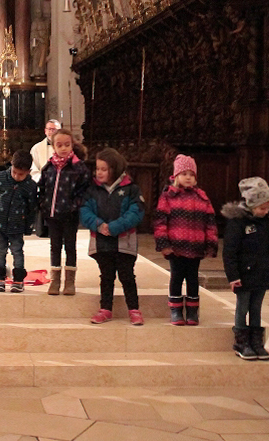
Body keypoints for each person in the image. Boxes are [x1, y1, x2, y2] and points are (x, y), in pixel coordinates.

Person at [221, 177, 269, 361]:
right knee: (243, 308)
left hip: (262, 273)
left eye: (268, 208)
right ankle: (241, 342)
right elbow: (230, 252)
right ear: (250, 205)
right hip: (243, 274)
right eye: (261, 208)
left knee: (256, 308)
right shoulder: (237, 223)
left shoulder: (267, 223)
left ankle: (256, 342)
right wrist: (233, 276)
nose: (265, 212)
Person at [81, 148, 145, 324]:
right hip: (102, 241)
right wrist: (99, 225)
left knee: (127, 276)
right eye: (97, 169)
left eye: (103, 169)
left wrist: (115, 227)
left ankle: (134, 309)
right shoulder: (92, 190)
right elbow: (84, 211)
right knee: (106, 276)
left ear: (114, 169)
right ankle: (105, 309)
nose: (98, 172)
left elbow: (136, 212)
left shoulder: (131, 189)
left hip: (124, 241)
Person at [153, 154, 218, 326]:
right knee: (176, 277)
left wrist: (210, 244)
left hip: (196, 247)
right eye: (184, 174)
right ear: (175, 176)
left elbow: (210, 223)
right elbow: (160, 222)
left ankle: (192, 310)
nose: (188, 177)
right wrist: (163, 244)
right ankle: (175, 310)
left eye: (191, 174)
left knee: (193, 279)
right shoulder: (168, 196)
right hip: (176, 247)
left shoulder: (202, 197)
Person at [38, 129, 91, 296]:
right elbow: (42, 187)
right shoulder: (48, 167)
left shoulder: (78, 167)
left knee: (70, 247)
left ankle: (69, 282)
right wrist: (43, 204)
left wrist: (75, 205)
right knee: (54, 247)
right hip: (52, 215)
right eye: (59, 145)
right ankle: (55, 281)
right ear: (53, 146)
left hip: (70, 215)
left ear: (72, 145)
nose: (63, 148)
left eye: (67, 145)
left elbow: (85, 190)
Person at [0, 151, 38, 293]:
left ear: (28, 172)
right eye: (14, 172)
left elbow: (32, 208)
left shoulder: (30, 186)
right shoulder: (1, 177)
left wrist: (28, 227)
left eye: (21, 174)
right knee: (0, 252)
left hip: (17, 226)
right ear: (11, 166)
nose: (16, 176)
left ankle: (18, 280)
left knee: (17, 252)